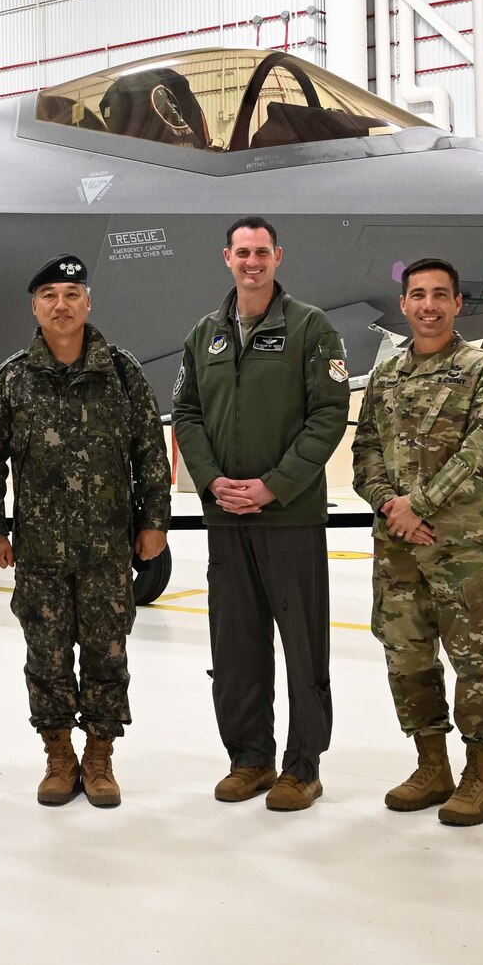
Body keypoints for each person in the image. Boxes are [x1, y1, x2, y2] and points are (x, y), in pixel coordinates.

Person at [171, 216, 349, 812]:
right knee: (236, 645)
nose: (252, 262)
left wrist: (273, 487)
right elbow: (187, 413)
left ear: (279, 257)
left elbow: (328, 416)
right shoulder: (205, 334)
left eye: (262, 252)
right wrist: (212, 481)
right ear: (227, 257)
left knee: (303, 647)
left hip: (289, 518)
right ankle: (249, 759)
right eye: (242, 252)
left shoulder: (310, 328)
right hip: (226, 517)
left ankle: (303, 766)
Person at [0, 255, 170, 808]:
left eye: (71, 293)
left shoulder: (122, 370)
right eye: (49, 296)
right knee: (46, 654)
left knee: (108, 653)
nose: (60, 305)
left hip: (108, 548)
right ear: (34, 307)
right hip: (38, 552)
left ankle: (101, 756)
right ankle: (59, 755)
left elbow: (149, 452)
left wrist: (154, 522)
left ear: (88, 301)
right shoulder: (13, 376)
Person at [351, 257, 483, 827]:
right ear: (403, 304)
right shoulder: (386, 376)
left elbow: (481, 452)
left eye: (440, 294)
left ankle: (480, 776)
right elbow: (364, 452)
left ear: (457, 304)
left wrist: (414, 506)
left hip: (460, 548)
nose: (428, 305)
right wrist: (391, 510)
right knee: (408, 658)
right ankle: (431, 765)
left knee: (474, 661)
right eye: (417, 294)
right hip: (397, 551)